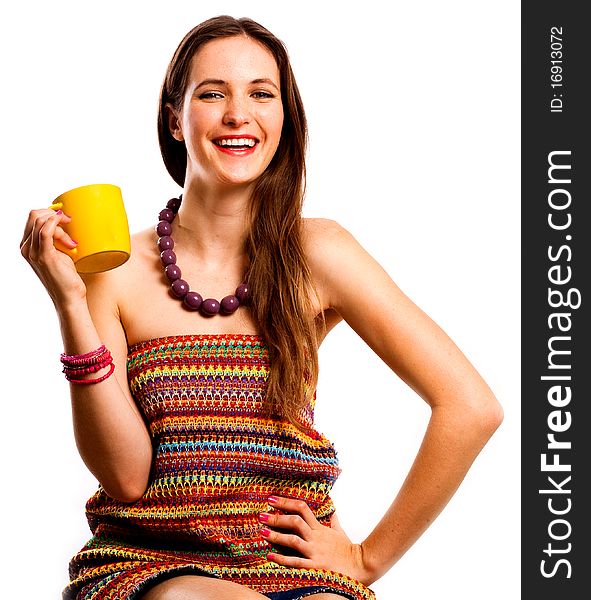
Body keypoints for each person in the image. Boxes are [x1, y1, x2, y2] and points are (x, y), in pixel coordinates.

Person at [20, 15, 503, 600]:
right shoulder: (115, 268)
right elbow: (124, 477)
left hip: (289, 565)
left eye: (261, 94)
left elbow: (471, 407)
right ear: (176, 118)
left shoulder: (319, 253)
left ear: (283, 117)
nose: (237, 114)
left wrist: (365, 559)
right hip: (152, 565)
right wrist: (70, 302)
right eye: (212, 93)